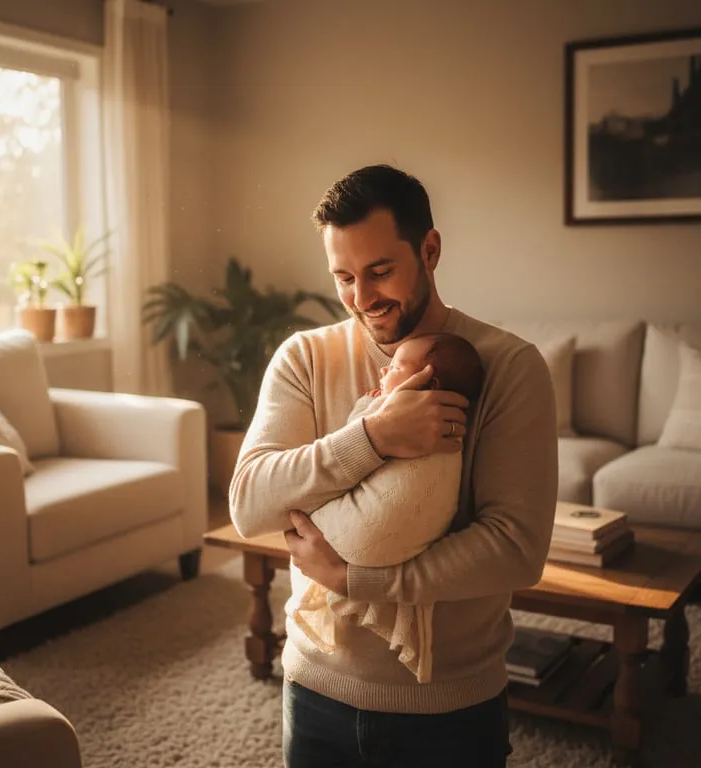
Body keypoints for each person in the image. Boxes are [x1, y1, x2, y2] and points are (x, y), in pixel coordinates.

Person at [229, 164, 558, 768]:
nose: (362, 298)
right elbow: (249, 505)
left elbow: (518, 548)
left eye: (380, 271)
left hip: (451, 707)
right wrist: (372, 437)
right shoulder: (304, 357)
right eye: (344, 277)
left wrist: (359, 581)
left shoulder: (510, 367)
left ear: (430, 250)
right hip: (315, 689)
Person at [291, 332, 484, 685]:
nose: (383, 372)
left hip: (356, 537)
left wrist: (367, 410)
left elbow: (354, 433)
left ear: (425, 383)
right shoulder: (457, 433)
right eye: (345, 278)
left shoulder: (394, 409)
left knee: (299, 507)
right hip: (407, 546)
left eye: (395, 367)